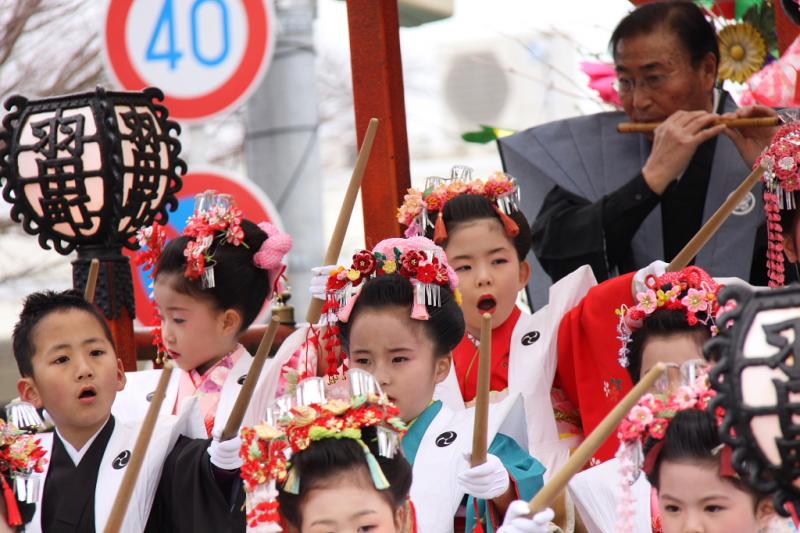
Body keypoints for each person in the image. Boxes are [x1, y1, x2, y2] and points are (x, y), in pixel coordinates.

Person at [498, 1, 779, 309]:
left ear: (708, 69)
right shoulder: (592, 152)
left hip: (752, 342)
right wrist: (649, 182)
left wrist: (778, 176)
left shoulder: (770, 138)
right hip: (636, 350)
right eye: (626, 82)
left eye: (654, 78)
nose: (639, 101)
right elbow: (560, 254)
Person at [331, 237, 547, 533]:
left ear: (441, 366)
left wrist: (502, 491)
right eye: (363, 361)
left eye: (399, 359)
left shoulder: (479, 439)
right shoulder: (329, 442)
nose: (379, 377)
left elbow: (541, 506)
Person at [395, 169, 595, 478]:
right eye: (463, 266)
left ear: (523, 274)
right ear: (442, 281)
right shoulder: (431, 356)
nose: (484, 276)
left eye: (498, 261)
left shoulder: (554, 333)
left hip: (547, 483)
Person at [12, 289, 245, 532]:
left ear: (119, 374)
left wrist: (222, 464)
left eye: (96, 353)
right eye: (62, 359)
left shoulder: (158, 448)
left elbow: (205, 475)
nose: (84, 369)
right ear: (31, 392)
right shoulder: (20, 469)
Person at [113, 191, 292, 440]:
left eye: (178, 320)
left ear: (227, 321)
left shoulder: (270, 391)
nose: (167, 335)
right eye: (162, 317)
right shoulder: (143, 392)